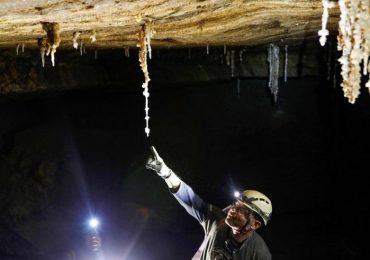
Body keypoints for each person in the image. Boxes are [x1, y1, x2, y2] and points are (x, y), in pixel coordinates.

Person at [146, 146, 272, 260]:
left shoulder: (259, 254)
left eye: (243, 210)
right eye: (235, 204)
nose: (233, 209)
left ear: (255, 224)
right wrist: (165, 172)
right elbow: (190, 199)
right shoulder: (217, 221)